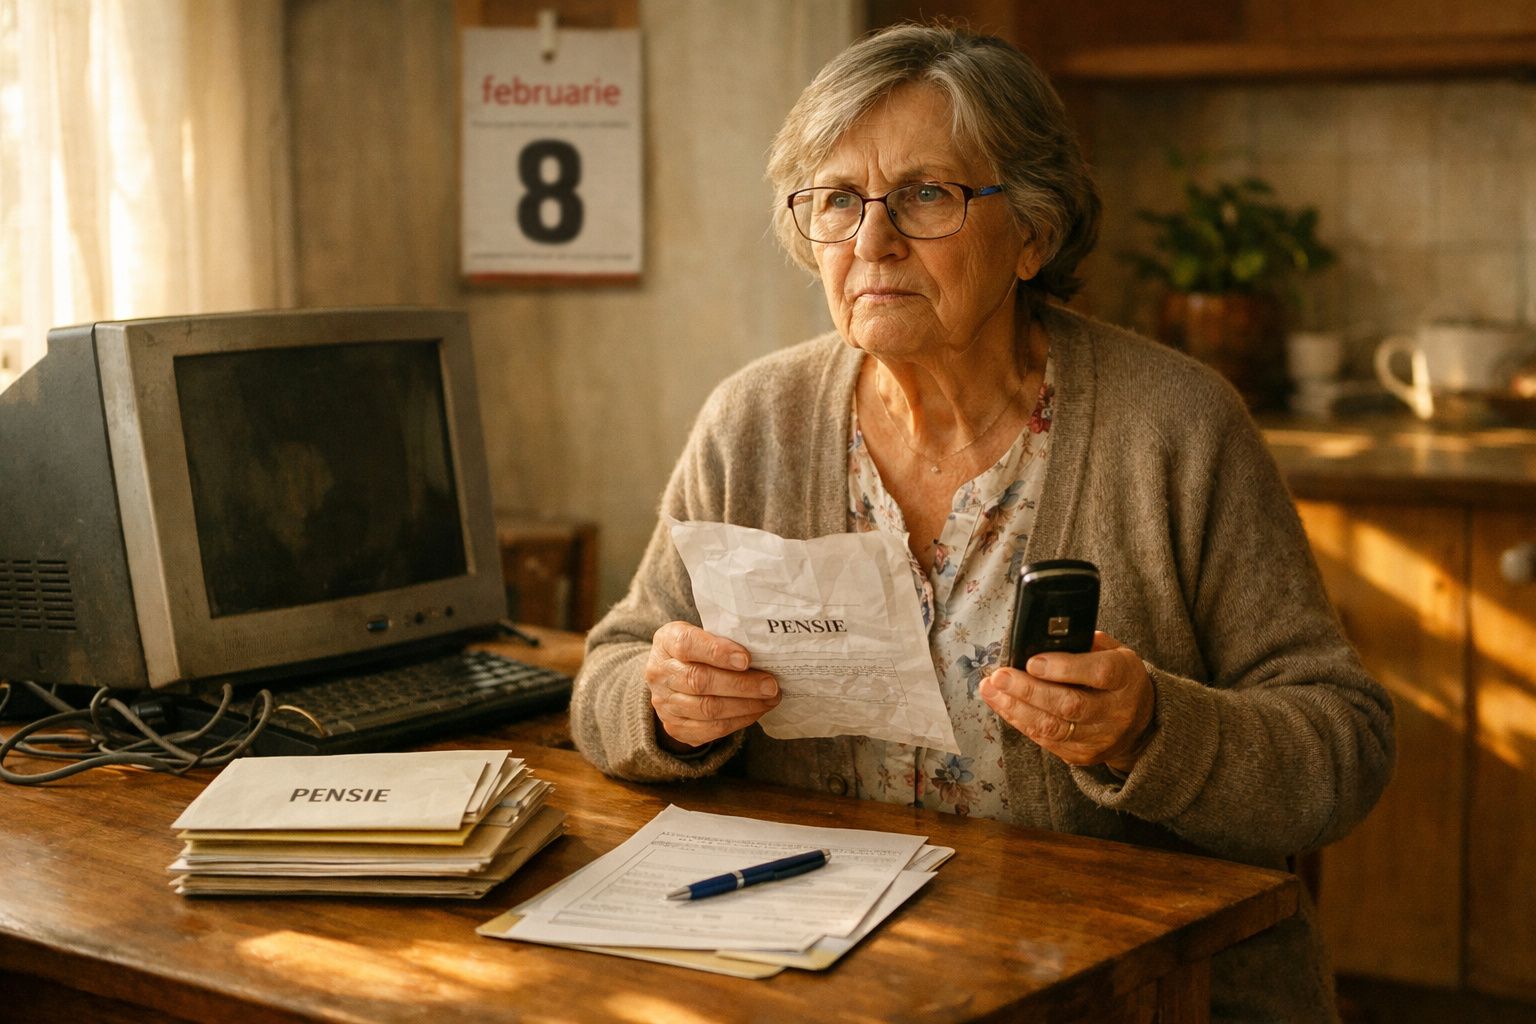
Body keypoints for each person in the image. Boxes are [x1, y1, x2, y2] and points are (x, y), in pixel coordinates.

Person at [570, 23, 1393, 1023]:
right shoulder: (753, 423)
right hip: (830, 985)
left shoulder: (1176, 427)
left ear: (1033, 234)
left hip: (1137, 993)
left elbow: (1342, 746)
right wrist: (664, 706)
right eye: (838, 200)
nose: (871, 241)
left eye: (926, 194)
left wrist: (1151, 730)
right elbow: (609, 675)